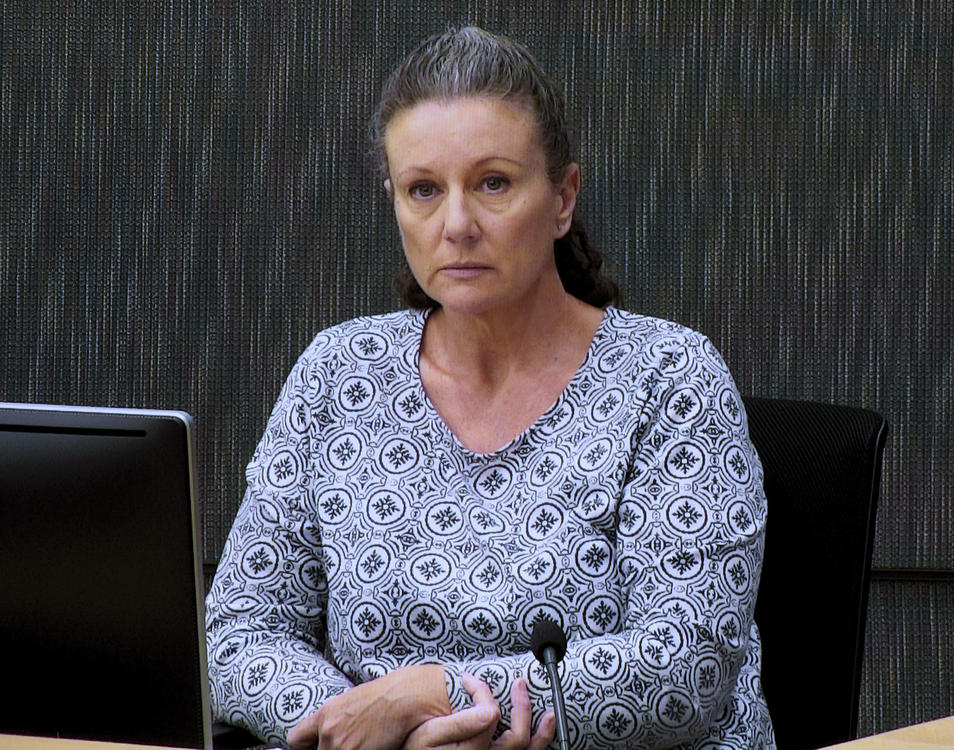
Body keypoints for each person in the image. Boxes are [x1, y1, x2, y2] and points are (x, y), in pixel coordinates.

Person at [206, 26, 775, 750]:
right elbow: (241, 630)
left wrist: (442, 697)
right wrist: (369, 727)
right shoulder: (337, 372)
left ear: (563, 198)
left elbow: (685, 670)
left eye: (493, 183)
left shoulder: (670, 377)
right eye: (423, 190)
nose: (457, 225)